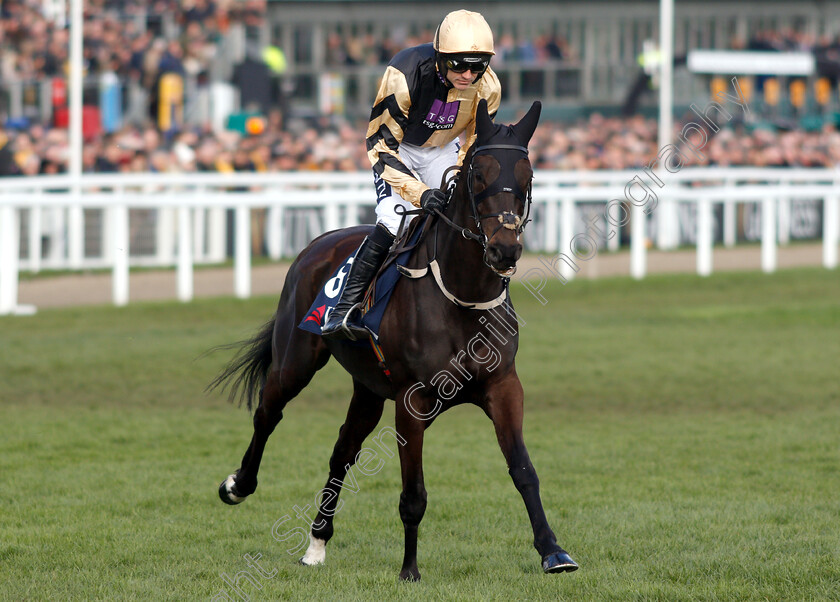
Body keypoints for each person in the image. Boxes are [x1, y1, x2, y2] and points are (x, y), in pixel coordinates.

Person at [321, 9, 502, 340]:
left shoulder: (488, 87)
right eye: (459, 64)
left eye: (478, 65)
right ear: (439, 57)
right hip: (399, 148)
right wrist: (420, 194)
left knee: (465, 216)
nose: (468, 74)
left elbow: (474, 145)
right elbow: (380, 146)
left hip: (443, 151)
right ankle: (343, 308)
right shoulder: (404, 71)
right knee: (394, 219)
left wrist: (460, 181)